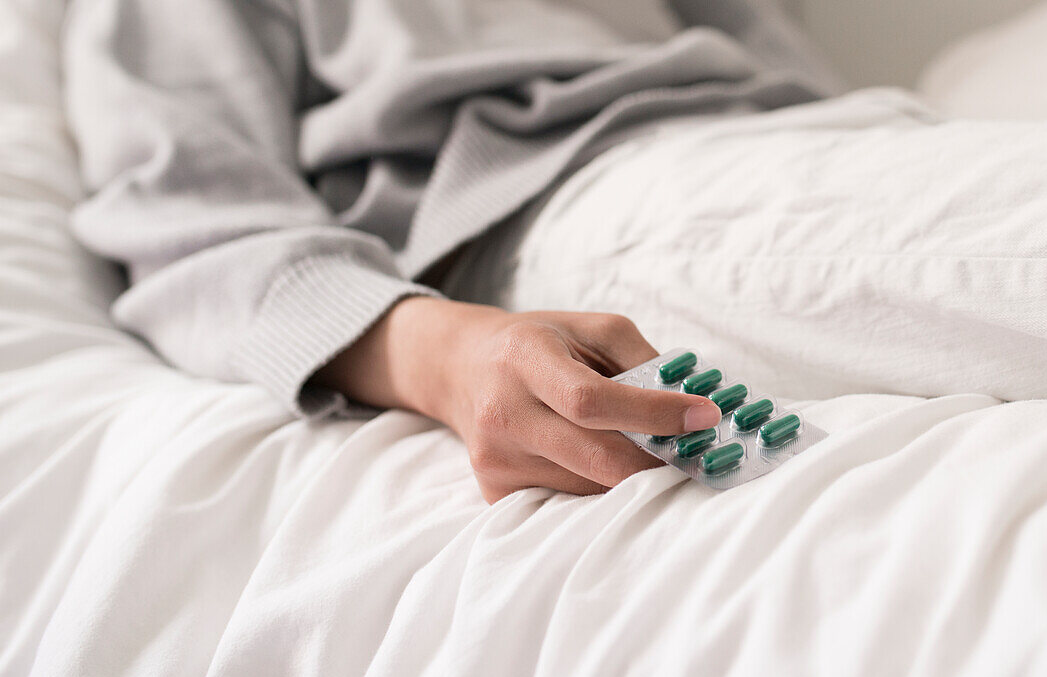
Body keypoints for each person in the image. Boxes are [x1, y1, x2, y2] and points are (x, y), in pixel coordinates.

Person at [64, 0, 840, 502]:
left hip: (816, 131)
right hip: (568, 183)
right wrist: (451, 355)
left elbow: (786, 70)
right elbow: (201, 225)